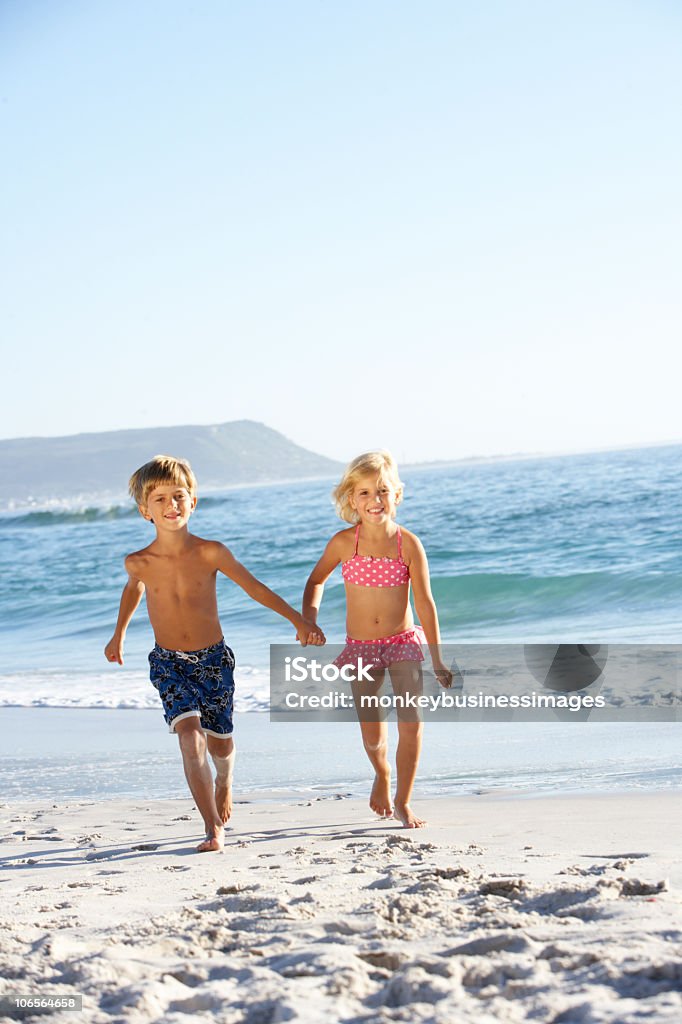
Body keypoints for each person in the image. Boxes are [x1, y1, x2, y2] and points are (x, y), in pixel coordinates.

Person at [105, 455, 324, 853]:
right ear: (144, 510)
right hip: (169, 662)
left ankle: (225, 780)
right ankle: (211, 828)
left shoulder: (210, 552)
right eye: (160, 499)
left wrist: (298, 620)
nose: (171, 505)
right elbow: (134, 586)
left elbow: (254, 588)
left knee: (219, 743)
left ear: (193, 502)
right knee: (190, 739)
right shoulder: (138, 561)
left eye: (179, 496)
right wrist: (118, 634)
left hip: (213, 661)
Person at [302, 450, 452, 829]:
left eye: (382, 491)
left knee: (411, 723)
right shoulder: (343, 543)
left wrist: (437, 659)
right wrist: (309, 620)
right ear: (352, 499)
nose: (375, 500)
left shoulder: (408, 545)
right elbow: (316, 580)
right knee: (372, 729)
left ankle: (403, 802)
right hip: (361, 648)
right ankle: (381, 774)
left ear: (397, 495)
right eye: (365, 493)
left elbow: (426, 604)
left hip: (402, 642)